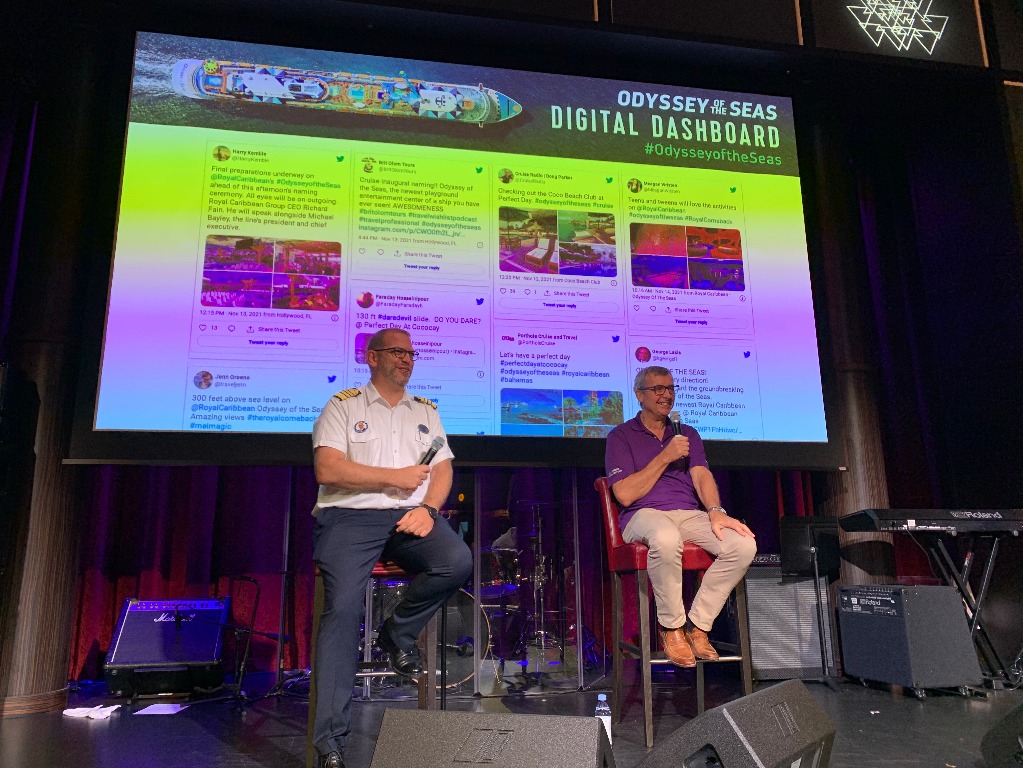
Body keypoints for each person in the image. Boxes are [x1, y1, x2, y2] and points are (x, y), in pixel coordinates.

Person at [309, 326, 472, 768]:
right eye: (397, 352)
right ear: (372, 357)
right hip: (350, 515)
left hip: (408, 517)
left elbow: (442, 468)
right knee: (342, 610)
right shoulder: (344, 405)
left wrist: (430, 509)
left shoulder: (425, 410)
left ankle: (395, 633)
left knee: (456, 560)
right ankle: (330, 742)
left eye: (411, 354)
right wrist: (393, 478)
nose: (406, 359)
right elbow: (328, 469)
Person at [604, 366, 756, 668]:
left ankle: (697, 626)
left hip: (688, 514)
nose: (667, 395)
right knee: (665, 537)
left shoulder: (687, 433)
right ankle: (671, 629)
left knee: (742, 545)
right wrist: (665, 456)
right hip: (642, 515)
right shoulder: (620, 436)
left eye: (671, 388)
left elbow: (701, 474)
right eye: (658, 389)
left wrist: (716, 512)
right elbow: (624, 495)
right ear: (639, 395)